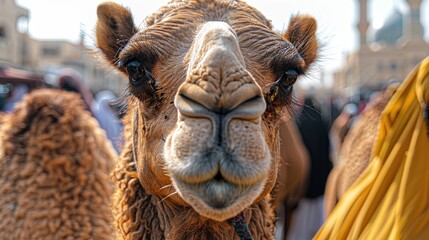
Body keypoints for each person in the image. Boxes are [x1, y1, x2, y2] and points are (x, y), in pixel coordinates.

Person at [288, 96, 333, 240]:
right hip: (320, 172)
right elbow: (328, 148)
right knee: (318, 214)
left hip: (306, 175)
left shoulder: (301, 123)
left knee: (303, 220)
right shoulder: (321, 121)